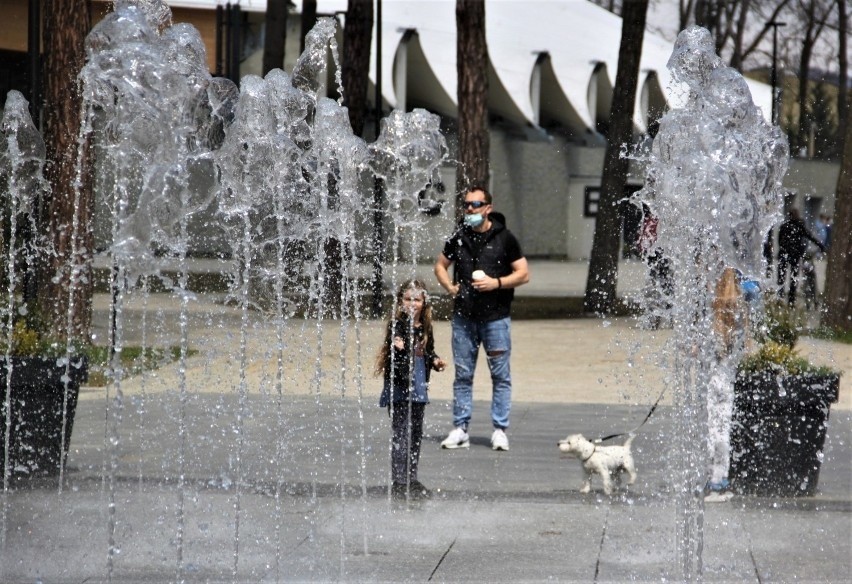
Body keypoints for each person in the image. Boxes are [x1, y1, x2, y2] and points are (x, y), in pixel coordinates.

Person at [434, 186, 529, 451]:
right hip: (464, 319)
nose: (470, 210)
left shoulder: (505, 238)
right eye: (466, 205)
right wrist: (450, 288)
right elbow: (440, 266)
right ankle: (460, 429)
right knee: (463, 375)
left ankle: (499, 430)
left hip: (496, 319)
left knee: (501, 376)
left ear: (488, 207)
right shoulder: (458, 237)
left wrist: (496, 283)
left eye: (475, 205)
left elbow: (523, 274)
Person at [376, 279, 446, 500]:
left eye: (417, 299)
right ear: (400, 301)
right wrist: (398, 349)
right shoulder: (396, 325)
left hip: (418, 388)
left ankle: (412, 478)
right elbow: (394, 359)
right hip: (399, 388)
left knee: (415, 435)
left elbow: (428, 351)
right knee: (401, 435)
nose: (412, 303)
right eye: (408, 299)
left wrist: (435, 360)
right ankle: (399, 481)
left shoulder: (425, 327)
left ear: (424, 302)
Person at [705, 267, 751, 502]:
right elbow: (744, 349)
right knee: (722, 430)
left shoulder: (712, 309)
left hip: (712, 379)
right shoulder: (739, 309)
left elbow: (700, 349)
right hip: (727, 378)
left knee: (711, 429)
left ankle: (712, 481)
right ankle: (718, 480)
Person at [776, 208, 825, 306]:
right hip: (794, 255)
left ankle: (782, 297)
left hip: (787, 254)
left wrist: (785, 248)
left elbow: (780, 241)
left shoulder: (786, 225)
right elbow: (809, 236)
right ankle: (790, 300)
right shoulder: (798, 226)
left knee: (783, 276)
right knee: (792, 278)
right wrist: (820, 245)